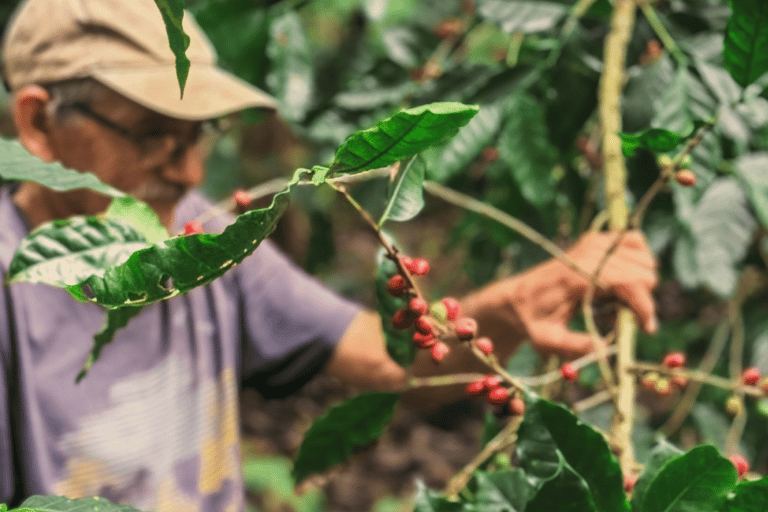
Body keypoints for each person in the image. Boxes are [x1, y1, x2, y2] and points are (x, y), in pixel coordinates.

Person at [0, 0, 659, 511]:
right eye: (153, 136)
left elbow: (384, 360)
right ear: (38, 124)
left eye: (200, 134)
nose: (189, 168)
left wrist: (517, 303)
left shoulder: (204, 236)